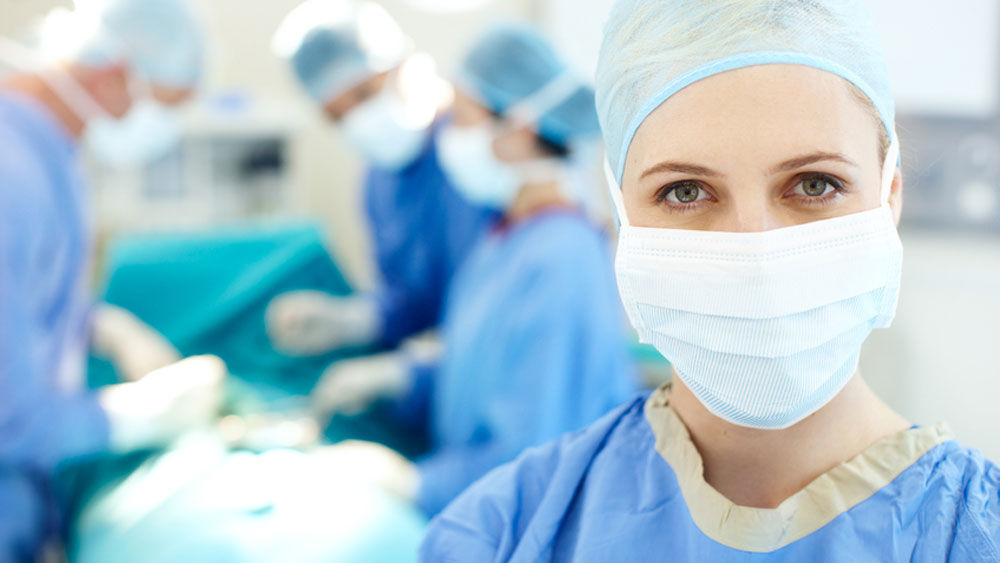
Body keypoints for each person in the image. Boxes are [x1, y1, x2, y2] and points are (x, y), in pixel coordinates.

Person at [420, 1, 1000, 560]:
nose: (755, 254)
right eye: (685, 191)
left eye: (815, 184)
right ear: (621, 218)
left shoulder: (972, 537)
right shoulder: (504, 533)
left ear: (889, 197)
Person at [313, 23, 638, 518]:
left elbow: (538, 458)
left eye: (462, 119)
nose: (449, 137)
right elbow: (489, 372)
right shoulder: (507, 236)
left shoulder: (561, 258)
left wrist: (417, 485)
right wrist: (406, 378)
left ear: (520, 130)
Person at [0, 1, 223, 560]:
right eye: (164, 107)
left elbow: (24, 295)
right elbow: (9, 421)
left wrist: (96, 325)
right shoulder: (10, 173)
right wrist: (135, 416)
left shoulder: (50, 151)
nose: (162, 130)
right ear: (114, 74)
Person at [268, 0, 496, 354]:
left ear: (400, 64)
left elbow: (508, 292)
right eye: (336, 116)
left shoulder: (479, 151)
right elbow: (409, 301)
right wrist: (357, 320)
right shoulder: (378, 183)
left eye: (363, 94)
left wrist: (423, 370)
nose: (358, 120)